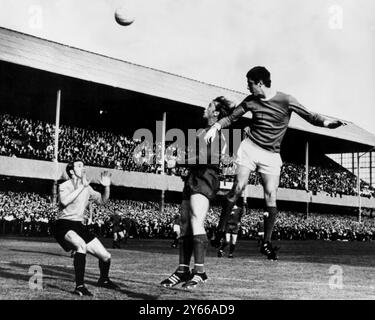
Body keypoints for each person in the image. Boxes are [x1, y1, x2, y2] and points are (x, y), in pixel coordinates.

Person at [205, 66, 346, 260]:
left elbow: (310, 116)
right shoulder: (251, 101)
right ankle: (220, 231)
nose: (247, 88)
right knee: (238, 186)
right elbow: (232, 117)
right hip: (250, 147)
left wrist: (328, 124)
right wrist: (216, 126)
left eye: (250, 84)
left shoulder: (286, 100)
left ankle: (266, 243)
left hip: (271, 154)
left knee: (271, 195)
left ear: (260, 83)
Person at [160, 96, 235, 289]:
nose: (206, 107)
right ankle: (183, 269)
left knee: (195, 219)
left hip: (206, 176)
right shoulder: (202, 131)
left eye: (210, 105)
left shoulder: (218, 132)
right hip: (194, 175)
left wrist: (179, 162)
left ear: (216, 112)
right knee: (185, 224)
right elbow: (197, 157)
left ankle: (200, 271)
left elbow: (207, 158)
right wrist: (183, 169)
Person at [54, 159, 119, 296]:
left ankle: (104, 280)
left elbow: (102, 200)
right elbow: (64, 201)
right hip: (64, 224)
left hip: (79, 225)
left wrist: (106, 187)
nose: (83, 168)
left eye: (83, 165)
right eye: (79, 166)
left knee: (106, 256)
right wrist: (81, 187)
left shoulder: (87, 187)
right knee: (81, 246)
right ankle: (79, 286)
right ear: (72, 171)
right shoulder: (64, 185)